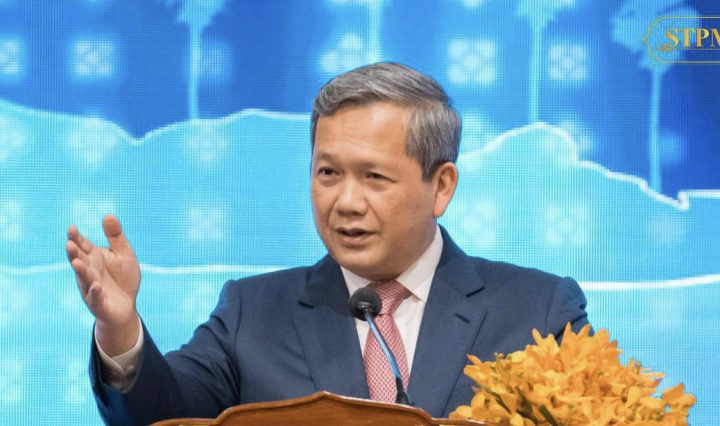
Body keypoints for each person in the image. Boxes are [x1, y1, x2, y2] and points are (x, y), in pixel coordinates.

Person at [66, 62, 589, 425]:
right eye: (328, 173)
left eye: (374, 177)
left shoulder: (537, 312)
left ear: (442, 186)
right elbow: (162, 417)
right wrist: (120, 328)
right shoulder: (253, 313)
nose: (346, 202)